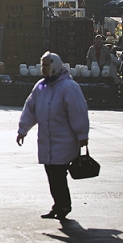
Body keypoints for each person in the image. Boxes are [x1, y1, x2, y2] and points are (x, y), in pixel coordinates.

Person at [16, 51, 90, 220]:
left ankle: (63, 205)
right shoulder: (40, 87)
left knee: (57, 174)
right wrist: (23, 129)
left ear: (55, 66)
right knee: (52, 174)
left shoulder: (69, 87)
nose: (44, 69)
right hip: (46, 140)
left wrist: (82, 135)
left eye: (47, 65)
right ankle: (59, 204)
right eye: (43, 65)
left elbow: (78, 112)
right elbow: (30, 109)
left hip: (64, 141)